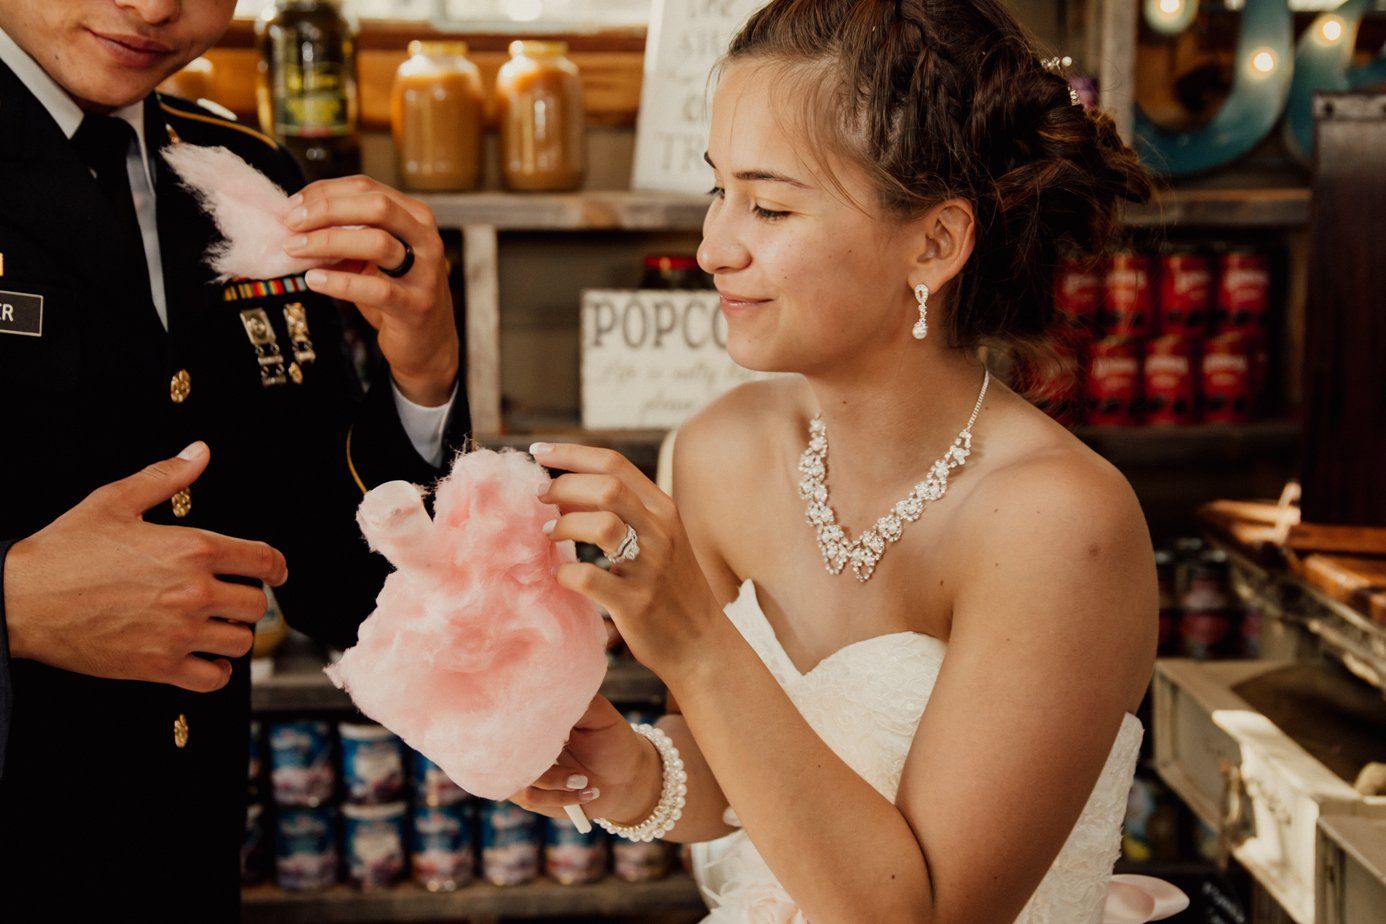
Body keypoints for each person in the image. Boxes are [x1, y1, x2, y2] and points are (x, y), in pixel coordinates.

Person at [511, 2, 1187, 921]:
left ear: (936, 243)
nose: (714, 247)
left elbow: (931, 914)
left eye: (771, 205)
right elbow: (735, 774)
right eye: (719, 191)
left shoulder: (1060, 525)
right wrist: (628, 773)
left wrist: (698, 646)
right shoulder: (718, 452)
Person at [0, 0, 467, 914]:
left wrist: (425, 366)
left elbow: (340, 585)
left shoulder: (242, 173)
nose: (152, 5)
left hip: (181, 853)